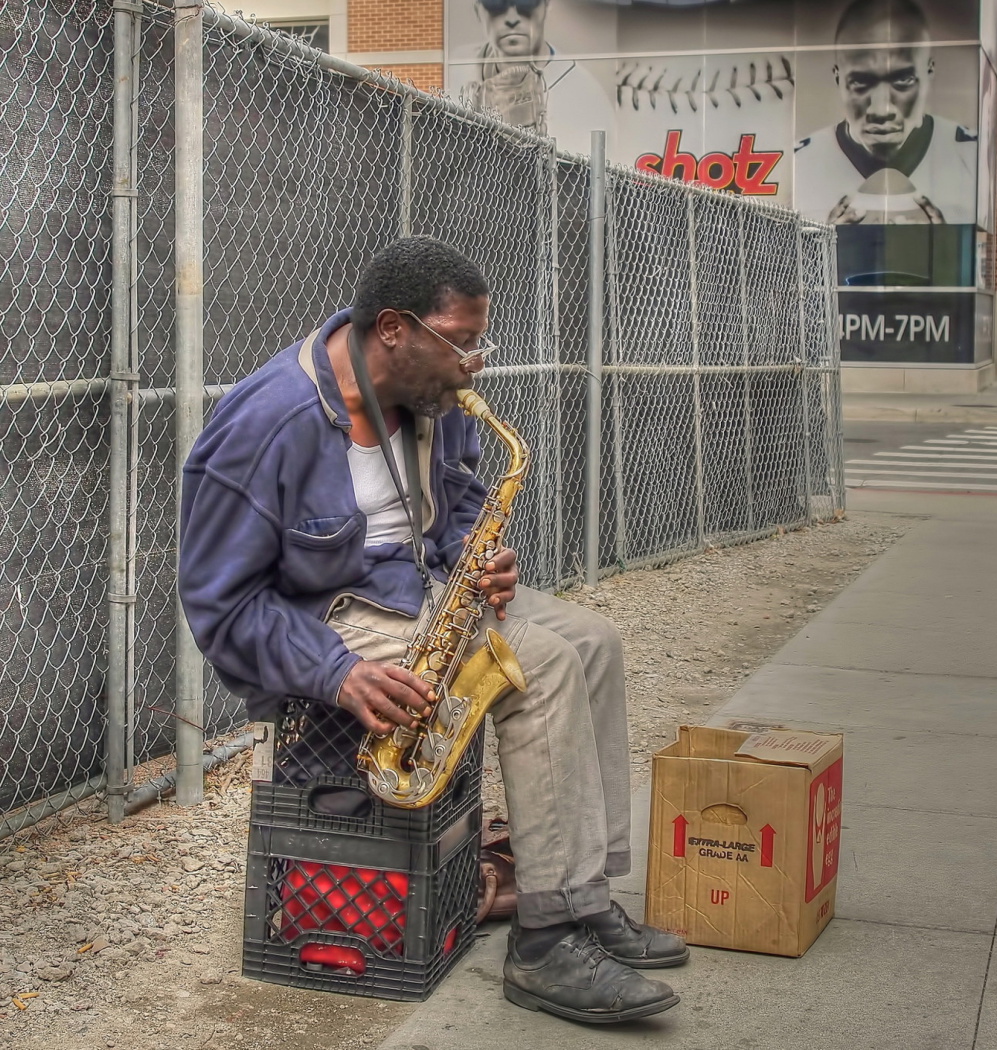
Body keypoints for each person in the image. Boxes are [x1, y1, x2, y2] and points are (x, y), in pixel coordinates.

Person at [178, 237, 685, 1025]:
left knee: (592, 642)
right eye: (462, 342)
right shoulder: (266, 421)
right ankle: (547, 944)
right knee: (539, 668)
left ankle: (583, 900)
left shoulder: (432, 398)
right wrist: (334, 672)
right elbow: (219, 601)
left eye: (479, 343)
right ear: (393, 329)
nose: (472, 364)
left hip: (423, 591)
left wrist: (479, 562)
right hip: (332, 621)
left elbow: (460, 505)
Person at [793, 0, 977, 226]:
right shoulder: (799, 164)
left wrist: (946, 246)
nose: (882, 109)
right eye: (860, 82)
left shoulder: (971, 157)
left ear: (929, 72)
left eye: (903, 80)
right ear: (838, 78)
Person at [465, 0, 613, 155]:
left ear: (546, 6)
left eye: (526, 3)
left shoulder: (587, 95)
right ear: (478, 11)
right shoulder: (460, 71)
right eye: (496, 4)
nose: (512, 18)